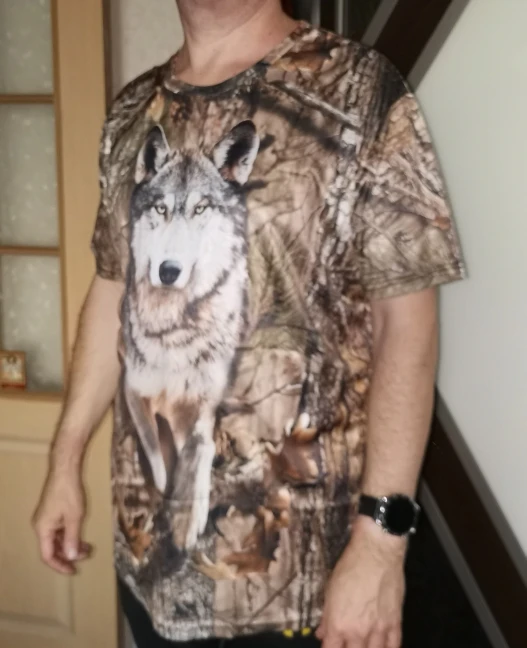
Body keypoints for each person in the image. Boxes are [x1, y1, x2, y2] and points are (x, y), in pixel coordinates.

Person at [33, 1, 465, 647]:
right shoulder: (132, 111)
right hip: (150, 561)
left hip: (298, 579)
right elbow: (113, 289)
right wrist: (65, 459)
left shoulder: (360, 88)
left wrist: (381, 544)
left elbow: (407, 326)